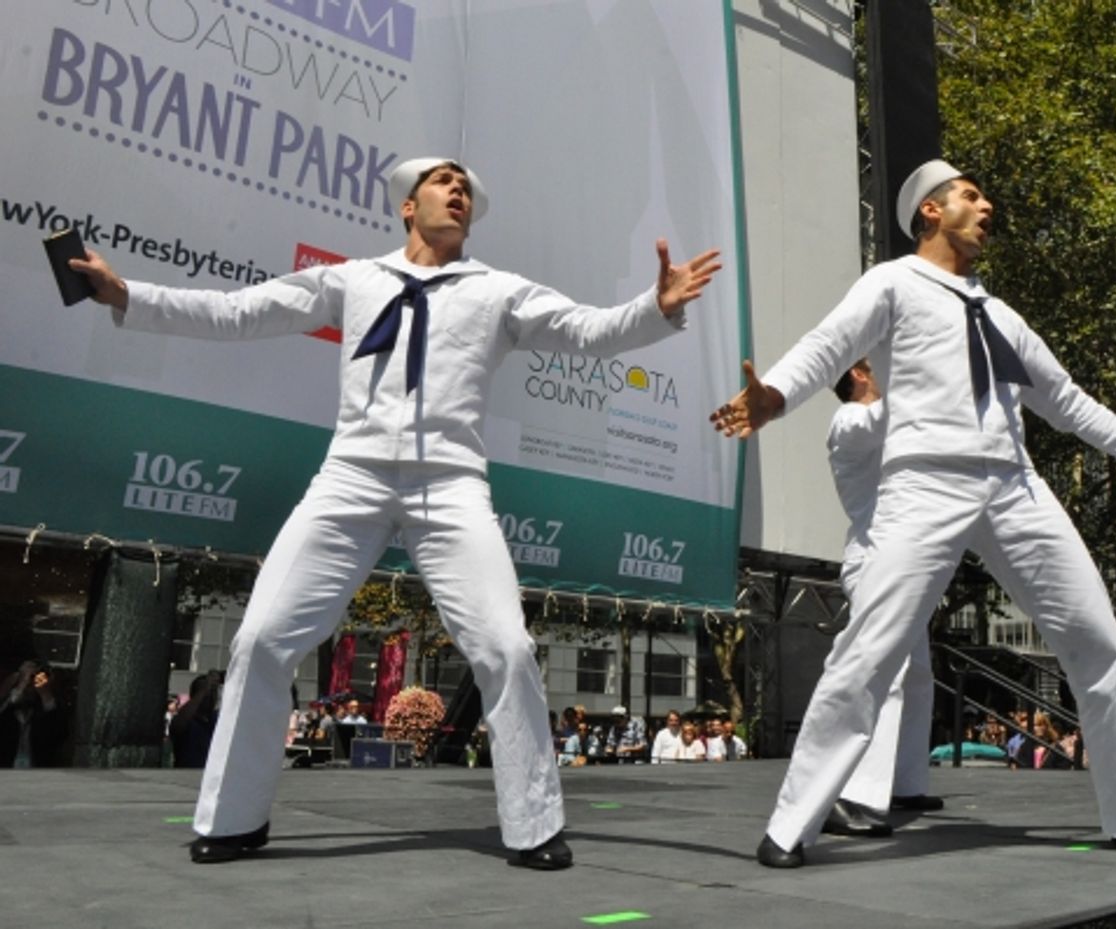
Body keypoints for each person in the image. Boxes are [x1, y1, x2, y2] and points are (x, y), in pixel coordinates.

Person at [72, 156, 721, 869]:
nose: (459, 192)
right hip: (350, 475)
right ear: (408, 206)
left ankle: (535, 824)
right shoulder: (354, 279)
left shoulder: (495, 290)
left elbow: (586, 331)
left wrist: (654, 309)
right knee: (260, 638)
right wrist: (128, 293)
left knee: (506, 647)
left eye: (467, 188)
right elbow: (241, 311)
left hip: (451, 484)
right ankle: (233, 818)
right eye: (445, 182)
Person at [711, 158, 1116, 867]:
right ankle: (793, 823)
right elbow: (829, 348)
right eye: (971, 197)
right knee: (871, 647)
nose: (988, 207)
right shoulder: (892, 283)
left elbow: (1065, 402)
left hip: (1016, 486)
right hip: (925, 481)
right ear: (930, 213)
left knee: (1099, 640)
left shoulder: (1002, 314)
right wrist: (776, 396)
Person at [822, 359, 940, 839]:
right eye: (876, 364)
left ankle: (905, 783)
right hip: (873, 562)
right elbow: (884, 418)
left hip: (901, 564)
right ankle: (854, 793)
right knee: (885, 675)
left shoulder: (885, 423)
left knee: (918, 677)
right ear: (859, 375)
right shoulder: (849, 419)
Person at [0, 660, 66, 768]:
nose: (29, 687)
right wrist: (21, 686)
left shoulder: (43, 713)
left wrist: (46, 694)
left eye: (33, 683)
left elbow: (59, 734)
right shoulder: (6, 711)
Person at [170, 672, 221, 769]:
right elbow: (179, 724)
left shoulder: (216, 720)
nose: (209, 697)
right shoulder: (187, 720)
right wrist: (203, 691)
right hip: (187, 775)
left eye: (213, 692)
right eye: (206, 694)